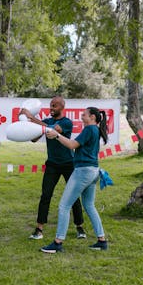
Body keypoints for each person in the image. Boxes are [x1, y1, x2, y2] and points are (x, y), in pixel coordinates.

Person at [40, 107, 109, 254]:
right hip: (93, 171)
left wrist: (57, 135)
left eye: (84, 115)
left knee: (64, 206)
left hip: (83, 172)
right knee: (89, 206)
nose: (81, 117)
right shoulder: (94, 130)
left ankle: (58, 243)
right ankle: (102, 241)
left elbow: (72, 145)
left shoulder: (89, 129)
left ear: (92, 117)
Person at [20, 96, 87, 240]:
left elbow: (53, 130)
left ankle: (79, 227)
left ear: (62, 107)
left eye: (54, 106)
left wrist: (32, 117)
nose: (51, 109)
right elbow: (34, 138)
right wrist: (30, 125)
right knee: (45, 195)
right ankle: (39, 229)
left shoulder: (66, 122)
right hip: (52, 164)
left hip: (69, 164)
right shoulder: (47, 121)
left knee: (74, 196)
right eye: (50, 106)